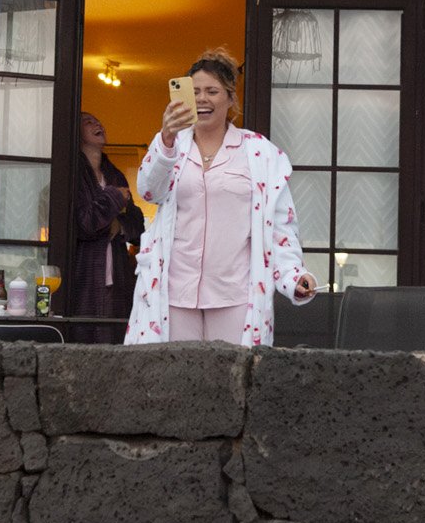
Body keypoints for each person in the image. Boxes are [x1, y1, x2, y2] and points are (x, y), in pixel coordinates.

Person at [126, 49, 316, 345]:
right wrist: (166, 138)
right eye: (196, 91)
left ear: (230, 98)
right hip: (173, 290)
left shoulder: (259, 153)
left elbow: (280, 225)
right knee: (175, 379)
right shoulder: (171, 144)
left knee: (232, 381)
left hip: (236, 292)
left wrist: (292, 276)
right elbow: (149, 190)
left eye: (212, 91)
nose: (202, 99)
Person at [64, 111, 145, 342]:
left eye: (98, 120)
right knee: (84, 341)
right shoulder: (74, 173)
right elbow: (85, 223)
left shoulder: (115, 174)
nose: (97, 124)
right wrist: (113, 197)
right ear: (77, 133)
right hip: (85, 275)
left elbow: (138, 225)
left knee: (116, 343)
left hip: (118, 277)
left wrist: (118, 225)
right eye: (89, 122)